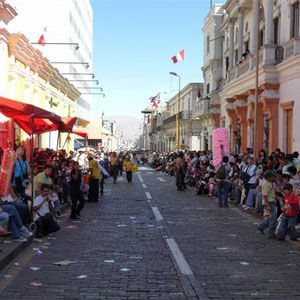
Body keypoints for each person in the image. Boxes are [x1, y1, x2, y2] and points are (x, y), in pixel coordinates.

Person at [258, 170, 277, 239]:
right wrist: (268, 205)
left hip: (271, 201)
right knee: (273, 219)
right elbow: (265, 195)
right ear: (268, 177)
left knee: (271, 217)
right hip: (269, 202)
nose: (273, 178)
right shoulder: (266, 184)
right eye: (272, 177)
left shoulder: (269, 183)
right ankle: (271, 234)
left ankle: (262, 226)